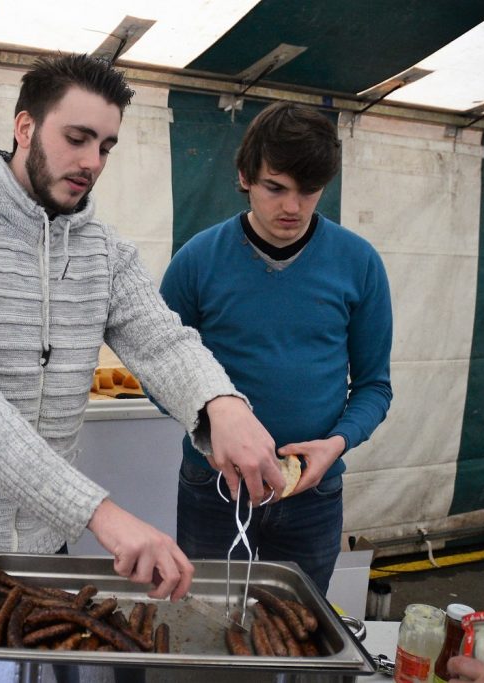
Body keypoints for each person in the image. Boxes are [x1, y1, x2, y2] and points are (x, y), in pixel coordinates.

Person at [0, 53, 281, 682]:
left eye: (106, 146)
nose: (92, 162)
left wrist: (221, 405)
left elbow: (163, 341)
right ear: (25, 127)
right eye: (77, 138)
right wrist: (100, 514)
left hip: (39, 541)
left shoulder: (105, 252)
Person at [159, 101, 393, 594]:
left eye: (309, 190)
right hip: (214, 489)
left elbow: (375, 386)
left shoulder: (359, 263)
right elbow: (159, 370)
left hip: (313, 494)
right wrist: (211, 430)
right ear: (245, 177)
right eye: (275, 187)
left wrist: (337, 444)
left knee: (299, 625)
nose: (293, 207)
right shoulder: (197, 260)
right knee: (206, 618)